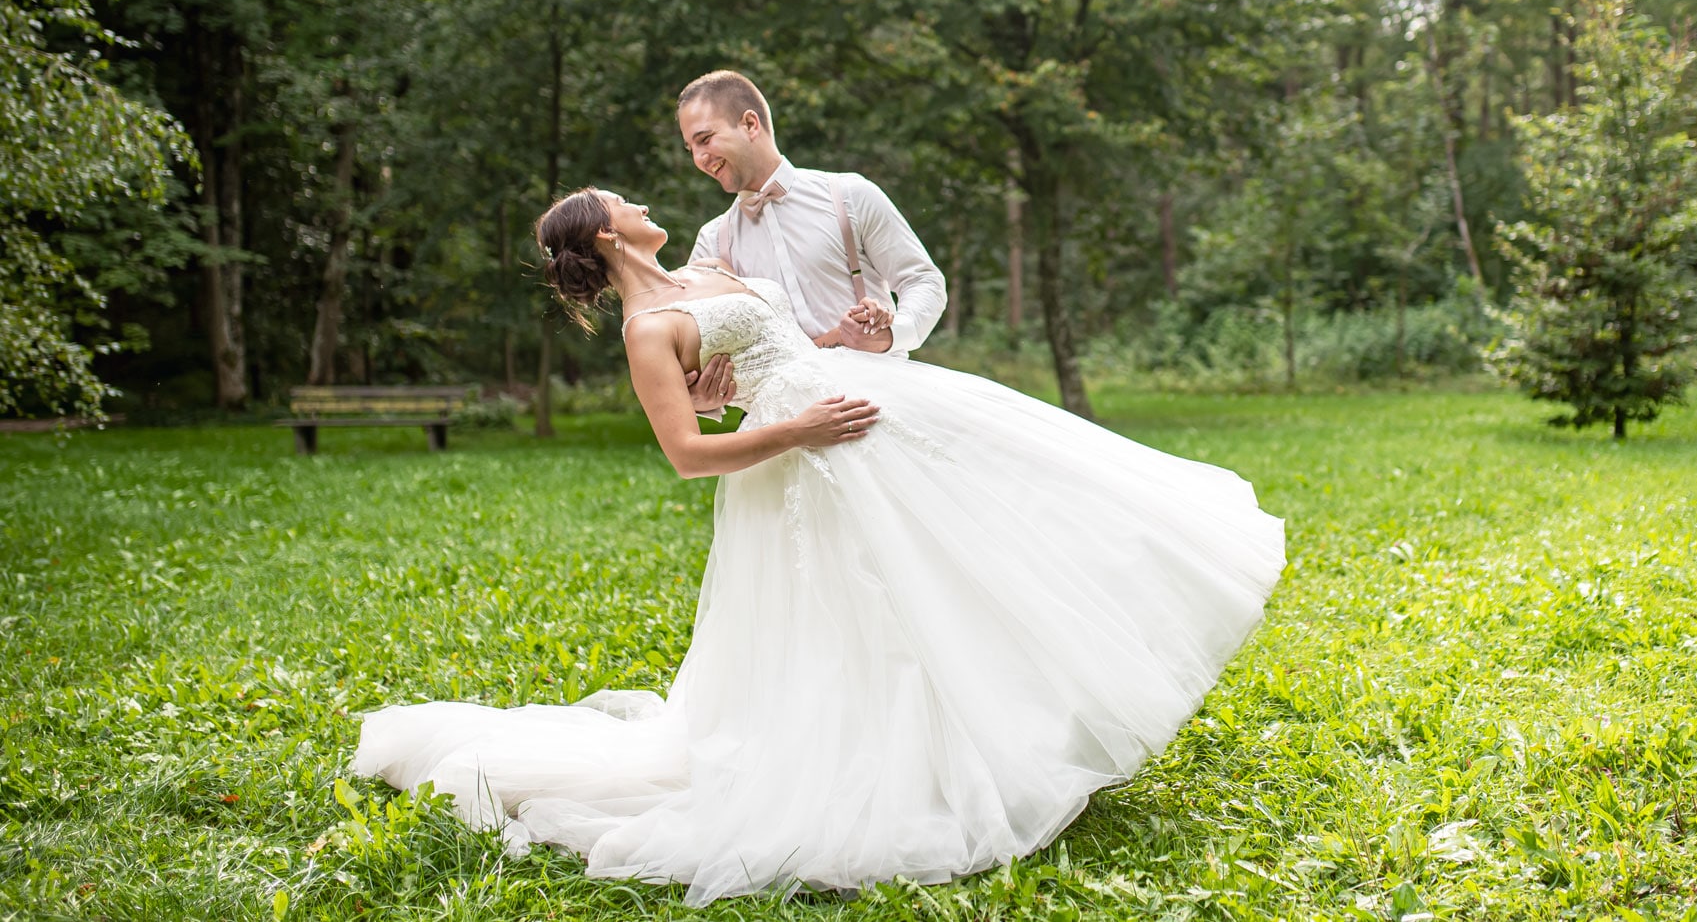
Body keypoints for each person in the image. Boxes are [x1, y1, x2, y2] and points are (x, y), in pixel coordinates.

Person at [352, 187, 1285, 906]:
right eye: (625, 204)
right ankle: (912, 764)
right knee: (860, 614)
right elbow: (685, 452)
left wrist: (837, 337)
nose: (644, 204)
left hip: (852, 408)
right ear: (606, 235)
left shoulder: (702, 279)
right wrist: (793, 430)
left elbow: (766, 356)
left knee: (979, 549)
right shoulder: (649, 327)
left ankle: (1009, 723)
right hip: (807, 462)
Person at [677, 69, 946, 360]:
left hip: (878, 390)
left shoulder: (850, 195)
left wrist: (891, 335)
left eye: (705, 139)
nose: (698, 159)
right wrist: (706, 398)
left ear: (750, 124)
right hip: (782, 403)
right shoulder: (712, 241)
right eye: (691, 148)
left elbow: (922, 280)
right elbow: (697, 340)